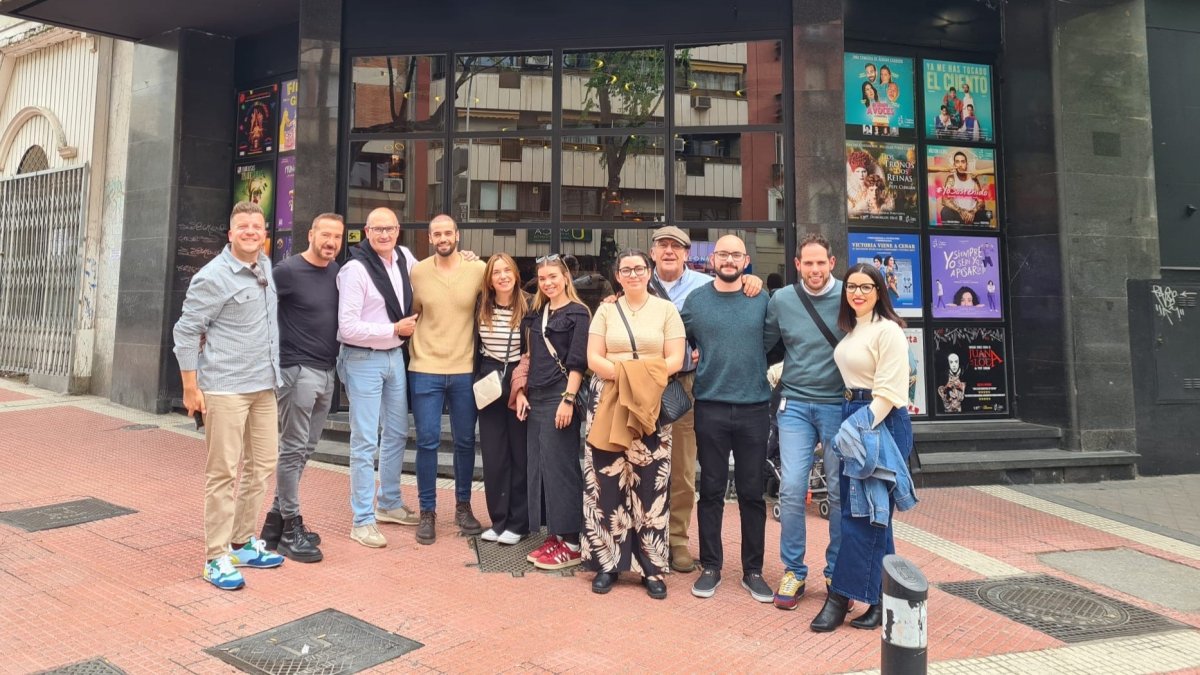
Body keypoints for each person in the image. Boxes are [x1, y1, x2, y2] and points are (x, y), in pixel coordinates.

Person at [173, 201, 284, 590]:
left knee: (263, 465)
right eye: (243, 227)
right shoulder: (212, 277)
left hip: (264, 385)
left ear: (264, 232)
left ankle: (242, 542)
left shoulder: (264, 265)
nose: (251, 232)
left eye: (257, 226)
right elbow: (186, 332)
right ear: (231, 233)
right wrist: (191, 388)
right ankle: (216, 556)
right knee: (222, 473)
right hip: (224, 389)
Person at [643, 225, 762, 573]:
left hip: (685, 387)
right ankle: (643, 538)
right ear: (652, 252)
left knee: (681, 469)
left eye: (676, 247)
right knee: (641, 466)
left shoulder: (702, 288)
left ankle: (677, 540)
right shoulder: (633, 280)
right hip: (642, 387)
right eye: (662, 246)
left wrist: (752, 282)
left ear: (687, 254)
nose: (668, 251)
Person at [810, 263, 916, 632]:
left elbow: (888, 392)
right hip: (855, 411)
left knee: (860, 514)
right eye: (852, 286)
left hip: (877, 419)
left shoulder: (888, 330)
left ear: (879, 290)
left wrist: (855, 428)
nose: (857, 292)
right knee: (875, 517)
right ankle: (882, 597)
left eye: (865, 287)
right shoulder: (855, 329)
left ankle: (841, 596)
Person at [584, 249, 686, 599]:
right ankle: (607, 563)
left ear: (649, 271)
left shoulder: (666, 310)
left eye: (639, 268)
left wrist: (632, 374)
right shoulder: (606, 310)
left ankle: (652, 568)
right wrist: (622, 374)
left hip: (650, 401)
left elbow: (675, 359)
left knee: (650, 487)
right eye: (625, 269)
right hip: (608, 400)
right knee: (606, 480)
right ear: (617, 275)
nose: (632, 274)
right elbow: (592, 357)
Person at [681, 235, 774, 603]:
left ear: (746, 260)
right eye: (723, 254)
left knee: (753, 492)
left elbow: (773, 344)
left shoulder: (761, 299)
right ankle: (711, 566)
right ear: (712, 259)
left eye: (736, 255)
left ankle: (753, 570)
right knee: (712, 490)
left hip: (754, 406)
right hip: (710, 406)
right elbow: (680, 341)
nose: (730, 260)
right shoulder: (696, 301)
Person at [762, 233, 846, 610]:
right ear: (796, 265)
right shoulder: (782, 300)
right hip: (794, 404)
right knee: (793, 488)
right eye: (806, 263)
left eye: (820, 262)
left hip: (838, 405)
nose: (814, 269)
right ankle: (794, 569)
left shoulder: (852, 293)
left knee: (842, 493)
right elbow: (761, 342)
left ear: (832, 262)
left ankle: (837, 569)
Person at [258, 213, 345, 563]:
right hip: (296, 371)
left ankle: (274, 525)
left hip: (326, 372)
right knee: (293, 450)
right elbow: (259, 310)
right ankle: (292, 525)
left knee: (304, 450)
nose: (331, 242)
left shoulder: (337, 273)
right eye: (326, 235)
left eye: (337, 237)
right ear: (311, 234)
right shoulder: (287, 271)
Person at [336, 207, 421, 549]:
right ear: (366, 232)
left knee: (397, 432)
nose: (384, 235)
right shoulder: (354, 269)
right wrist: (394, 329)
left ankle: (388, 503)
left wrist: (465, 258)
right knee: (365, 441)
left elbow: (435, 274)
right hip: (362, 358)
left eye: (389, 229)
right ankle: (362, 520)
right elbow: (348, 327)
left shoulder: (404, 258)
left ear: (398, 230)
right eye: (377, 229)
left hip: (393, 356)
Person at [409, 214, 488, 544]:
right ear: (429, 238)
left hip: (463, 368)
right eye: (436, 233)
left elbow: (503, 298)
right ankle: (427, 511)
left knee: (465, 441)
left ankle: (463, 506)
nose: (443, 238)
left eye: (448, 232)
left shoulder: (478, 270)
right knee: (426, 441)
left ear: (458, 236)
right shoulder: (417, 272)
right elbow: (412, 312)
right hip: (425, 367)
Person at [513, 254, 590, 569]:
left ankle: (572, 542)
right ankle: (556, 534)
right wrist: (520, 391)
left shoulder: (578, 312)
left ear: (566, 278)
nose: (547, 283)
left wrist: (569, 399)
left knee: (562, 470)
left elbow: (578, 361)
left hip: (561, 397)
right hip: (538, 397)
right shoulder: (538, 311)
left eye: (553, 277)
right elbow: (529, 355)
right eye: (542, 278)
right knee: (543, 468)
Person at [475, 253, 530, 545]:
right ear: (489, 278)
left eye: (507, 270)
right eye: (496, 272)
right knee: (494, 456)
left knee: (519, 454)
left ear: (516, 274)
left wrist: (522, 388)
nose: (502, 276)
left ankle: (518, 522)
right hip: (488, 380)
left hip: (519, 381)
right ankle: (498, 520)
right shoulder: (480, 305)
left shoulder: (530, 304)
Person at [937, 151, 991, 226]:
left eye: (963, 162)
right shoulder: (951, 178)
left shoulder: (973, 178)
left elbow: (981, 202)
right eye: (957, 162)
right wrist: (961, 211)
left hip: (973, 214)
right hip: (958, 214)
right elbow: (945, 200)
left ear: (966, 164)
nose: (960, 165)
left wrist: (972, 212)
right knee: (945, 211)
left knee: (986, 214)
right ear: (954, 164)